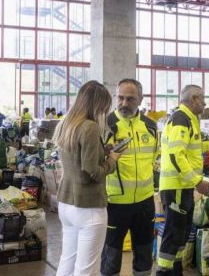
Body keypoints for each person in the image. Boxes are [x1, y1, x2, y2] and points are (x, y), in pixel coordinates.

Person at [156, 85, 209, 276]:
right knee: (174, 234)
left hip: (183, 186)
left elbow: (188, 146)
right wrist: (197, 181)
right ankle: (163, 271)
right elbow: (175, 155)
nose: (205, 103)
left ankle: (176, 270)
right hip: (176, 187)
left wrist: (208, 145)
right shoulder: (181, 119)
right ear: (194, 98)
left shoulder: (189, 119)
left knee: (182, 233)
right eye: (203, 98)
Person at [54, 81, 121, 276]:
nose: (104, 111)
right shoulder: (90, 127)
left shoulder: (66, 124)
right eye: (103, 106)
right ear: (96, 103)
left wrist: (103, 151)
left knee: (67, 261)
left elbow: (78, 158)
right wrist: (112, 160)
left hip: (67, 204)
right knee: (87, 269)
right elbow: (92, 171)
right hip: (88, 206)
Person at [100, 79, 159, 276]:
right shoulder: (105, 126)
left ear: (141, 99)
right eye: (121, 98)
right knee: (111, 256)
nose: (124, 103)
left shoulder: (151, 127)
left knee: (144, 254)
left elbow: (153, 158)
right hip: (114, 202)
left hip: (145, 202)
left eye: (131, 99)